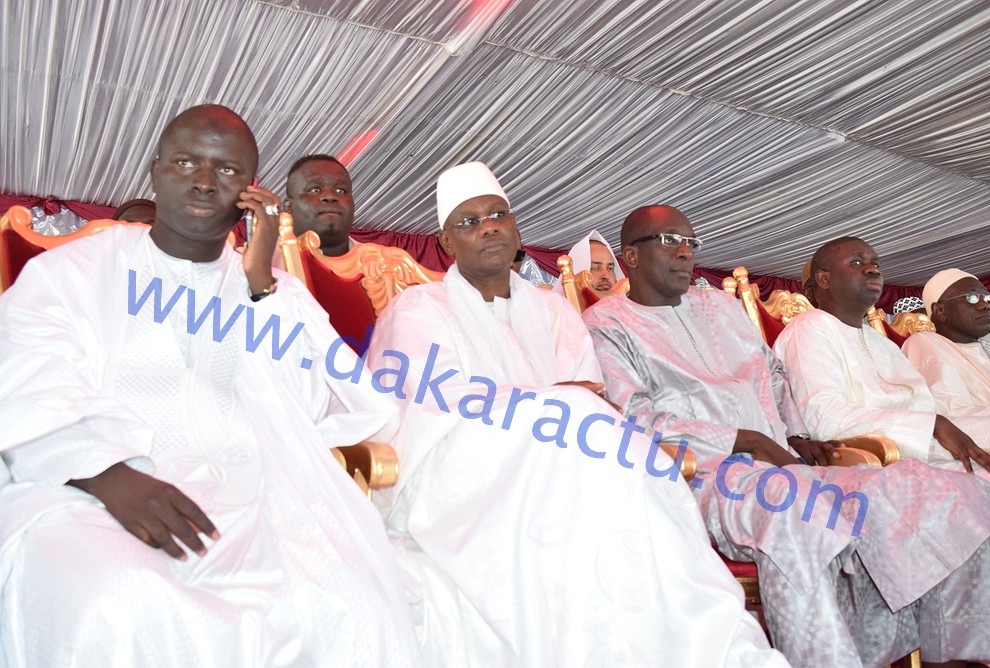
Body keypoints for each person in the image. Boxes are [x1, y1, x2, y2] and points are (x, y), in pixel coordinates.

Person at [0, 105, 420, 666]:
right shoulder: (73, 272)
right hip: (87, 485)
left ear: (251, 190)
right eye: (185, 161)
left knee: (354, 609)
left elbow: (330, 400)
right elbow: (25, 378)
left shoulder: (273, 291)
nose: (203, 180)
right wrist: (106, 474)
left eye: (226, 170)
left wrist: (260, 285)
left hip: (261, 489)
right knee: (119, 603)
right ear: (154, 171)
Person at [367, 162, 788, 667]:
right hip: (466, 473)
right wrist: (549, 404)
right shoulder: (417, 309)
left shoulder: (554, 311)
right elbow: (434, 405)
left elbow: (592, 396)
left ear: (516, 227)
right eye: (470, 221)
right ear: (447, 243)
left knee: (626, 489)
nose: (489, 227)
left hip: (572, 459)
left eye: (498, 214)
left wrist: (563, 405)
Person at [582, 206, 990, 666]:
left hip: (787, 464)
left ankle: (954, 655)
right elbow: (634, 421)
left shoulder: (720, 307)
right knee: (798, 507)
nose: (685, 253)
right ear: (632, 257)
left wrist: (798, 435)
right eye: (669, 242)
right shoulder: (606, 324)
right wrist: (745, 440)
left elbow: (776, 376)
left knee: (935, 488)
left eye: (691, 243)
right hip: (705, 477)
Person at [774, 237, 990, 480]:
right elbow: (827, 419)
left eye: (876, 264)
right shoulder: (809, 327)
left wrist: (986, 426)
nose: (872, 269)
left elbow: (930, 411)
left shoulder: (881, 342)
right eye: (857, 262)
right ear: (824, 279)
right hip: (876, 468)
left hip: (927, 457)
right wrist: (932, 425)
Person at [902, 269, 990, 424]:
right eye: (971, 297)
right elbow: (947, 408)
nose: (985, 305)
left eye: (987, 297)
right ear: (940, 311)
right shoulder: (925, 342)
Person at [283, 154, 357, 256]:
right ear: (288, 207)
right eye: (314, 190)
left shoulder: (382, 261)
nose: (330, 196)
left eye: (341, 190)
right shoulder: (264, 263)